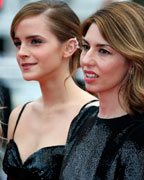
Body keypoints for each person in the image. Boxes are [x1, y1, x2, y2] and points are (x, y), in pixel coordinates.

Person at [2, 1, 98, 179]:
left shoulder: (95, 117)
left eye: (35, 41)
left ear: (69, 47)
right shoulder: (18, 115)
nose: (21, 52)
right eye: (18, 43)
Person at [59, 1, 144, 180]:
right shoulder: (83, 118)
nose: (86, 60)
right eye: (86, 47)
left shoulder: (138, 136)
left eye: (103, 51)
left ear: (132, 62)